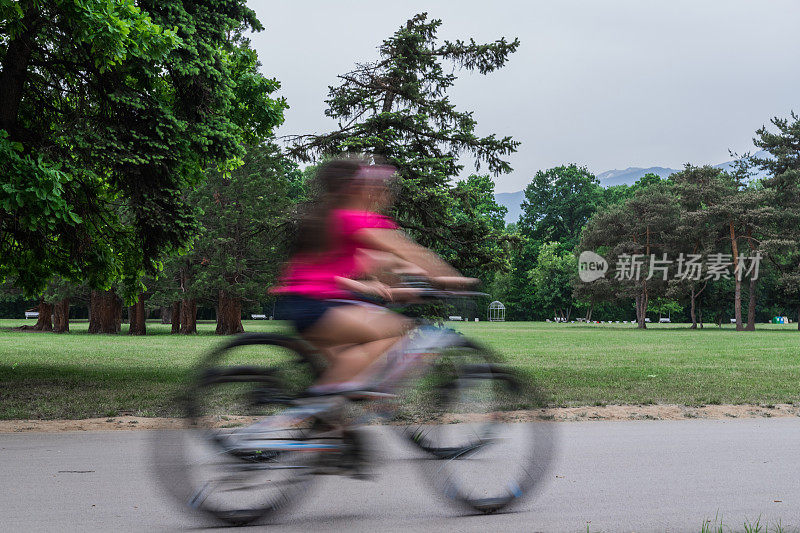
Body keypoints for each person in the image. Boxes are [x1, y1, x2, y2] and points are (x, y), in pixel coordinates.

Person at [272, 158, 474, 396]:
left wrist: (412, 281)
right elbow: (404, 250)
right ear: (353, 188)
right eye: (366, 185)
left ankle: (333, 422)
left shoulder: (331, 218)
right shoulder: (350, 219)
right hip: (315, 307)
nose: (373, 191)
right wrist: (448, 278)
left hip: (305, 304)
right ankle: (317, 404)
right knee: (394, 330)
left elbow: (382, 261)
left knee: (351, 375)